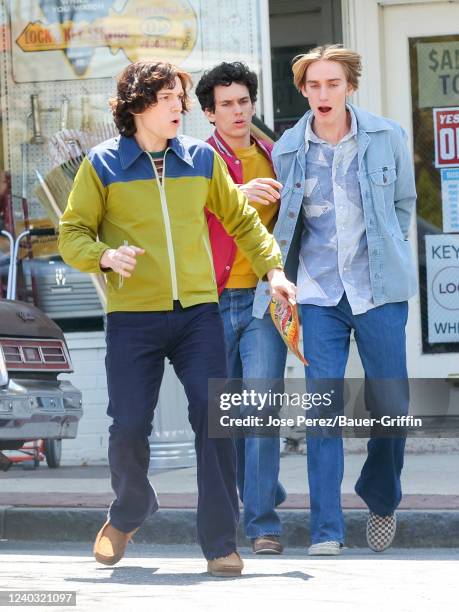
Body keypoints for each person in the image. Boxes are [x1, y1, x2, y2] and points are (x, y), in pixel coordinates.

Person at [58, 60, 295, 577]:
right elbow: (71, 233)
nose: (178, 106)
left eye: (180, 97)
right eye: (167, 96)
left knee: (214, 425)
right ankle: (131, 509)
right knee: (127, 430)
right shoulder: (102, 165)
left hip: (197, 315)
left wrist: (273, 270)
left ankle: (219, 544)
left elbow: (243, 222)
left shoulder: (200, 161)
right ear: (138, 105)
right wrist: (103, 255)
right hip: (133, 318)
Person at [252, 44, 417, 555]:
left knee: (391, 408)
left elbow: (403, 204)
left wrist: (389, 253)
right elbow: (287, 223)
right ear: (302, 90)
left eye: (333, 84)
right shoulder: (286, 150)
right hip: (318, 293)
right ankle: (327, 528)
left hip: (379, 292)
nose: (323, 94)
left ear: (350, 87)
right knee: (323, 412)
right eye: (313, 85)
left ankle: (380, 496)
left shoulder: (388, 136)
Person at [196, 62, 287, 555]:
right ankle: (258, 492)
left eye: (244, 102)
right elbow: (179, 216)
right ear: (209, 113)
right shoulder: (192, 159)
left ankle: (262, 525)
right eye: (226, 104)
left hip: (261, 299)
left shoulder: (277, 155)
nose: (237, 111)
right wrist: (235, 196)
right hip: (209, 302)